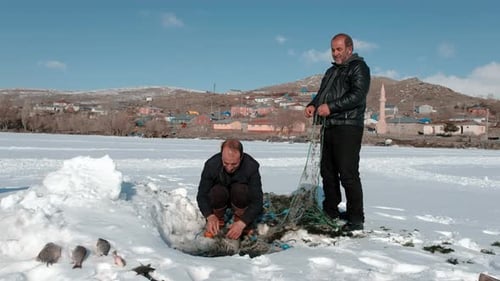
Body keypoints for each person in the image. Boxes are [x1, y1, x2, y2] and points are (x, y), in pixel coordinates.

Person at [304, 33, 371, 231]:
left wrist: (331, 107)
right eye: (333, 50)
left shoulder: (359, 67)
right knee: (328, 171)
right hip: (329, 126)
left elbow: (357, 96)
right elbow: (322, 95)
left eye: (339, 49)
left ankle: (356, 218)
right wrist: (312, 105)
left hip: (348, 126)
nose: (335, 53)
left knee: (348, 174)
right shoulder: (331, 71)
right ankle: (330, 211)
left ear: (349, 49)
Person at [196, 139, 263, 240]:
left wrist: (243, 222)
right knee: (217, 191)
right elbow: (202, 195)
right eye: (226, 163)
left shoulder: (251, 166)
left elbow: (257, 201)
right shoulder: (211, 165)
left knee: (240, 189)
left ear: (241, 157)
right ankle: (217, 221)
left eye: (234, 164)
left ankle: (239, 221)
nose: (229, 168)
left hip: (240, 198)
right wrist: (209, 216)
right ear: (221, 155)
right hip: (220, 198)